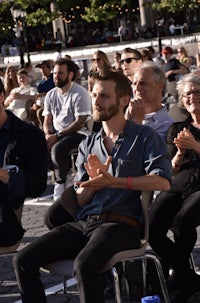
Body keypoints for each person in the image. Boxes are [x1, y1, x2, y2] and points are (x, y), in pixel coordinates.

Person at [13, 71, 172, 303]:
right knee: (23, 259)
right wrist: (92, 185)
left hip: (122, 224)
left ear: (124, 100)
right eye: (94, 95)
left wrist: (116, 181)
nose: (96, 101)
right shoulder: (89, 142)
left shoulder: (144, 136)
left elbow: (163, 181)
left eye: (105, 96)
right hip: (86, 222)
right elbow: (80, 200)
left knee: (85, 264)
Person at [149, 73, 200, 303]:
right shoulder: (177, 128)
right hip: (177, 185)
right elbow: (171, 169)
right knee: (150, 226)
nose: (191, 97)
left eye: (196, 92)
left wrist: (195, 146)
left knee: (182, 221)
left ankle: (180, 280)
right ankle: (188, 277)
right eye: (186, 94)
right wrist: (180, 152)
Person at [0, 79, 48, 250]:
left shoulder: (29, 135)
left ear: (1, 97)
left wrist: (5, 175)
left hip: (5, 216)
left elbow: (38, 185)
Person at [42, 58, 92, 201]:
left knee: (58, 148)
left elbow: (80, 122)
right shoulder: (51, 94)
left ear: (70, 75)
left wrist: (56, 136)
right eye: (55, 73)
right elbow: (47, 119)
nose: (56, 77)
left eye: (60, 73)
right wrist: (47, 134)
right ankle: (64, 172)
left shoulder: (79, 93)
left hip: (79, 133)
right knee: (38, 144)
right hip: (57, 133)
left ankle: (60, 182)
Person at [125, 61, 174, 142]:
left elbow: (141, 152)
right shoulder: (127, 114)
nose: (137, 88)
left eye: (143, 83)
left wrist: (136, 123)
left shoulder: (167, 125)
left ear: (160, 87)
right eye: (134, 83)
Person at [29, 60, 55, 128]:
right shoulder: (41, 83)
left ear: (49, 69)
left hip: (52, 103)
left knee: (40, 112)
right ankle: (36, 129)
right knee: (31, 110)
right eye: (41, 68)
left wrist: (45, 94)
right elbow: (39, 95)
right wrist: (36, 103)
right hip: (42, 102)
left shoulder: (54, 79)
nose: (42, 70)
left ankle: (45, 129)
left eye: (44, 67)